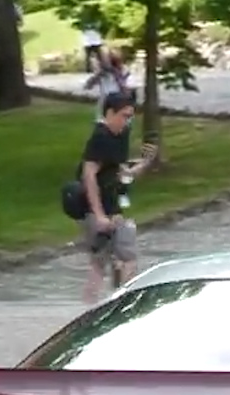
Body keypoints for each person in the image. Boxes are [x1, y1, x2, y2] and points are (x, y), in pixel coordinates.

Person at [76, 92, 144, 305]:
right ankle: (117, 307)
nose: (127, 121)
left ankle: (109, 305)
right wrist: (98, 214)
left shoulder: (121, 136)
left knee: (116, 261)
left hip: (113, 209)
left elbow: (120, 171)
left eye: (130, 117)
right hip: (96, 210)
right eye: (124, 116)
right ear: (110, 113)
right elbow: (88, 175)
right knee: (116, 260)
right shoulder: (101, 137)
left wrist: (142, 165)